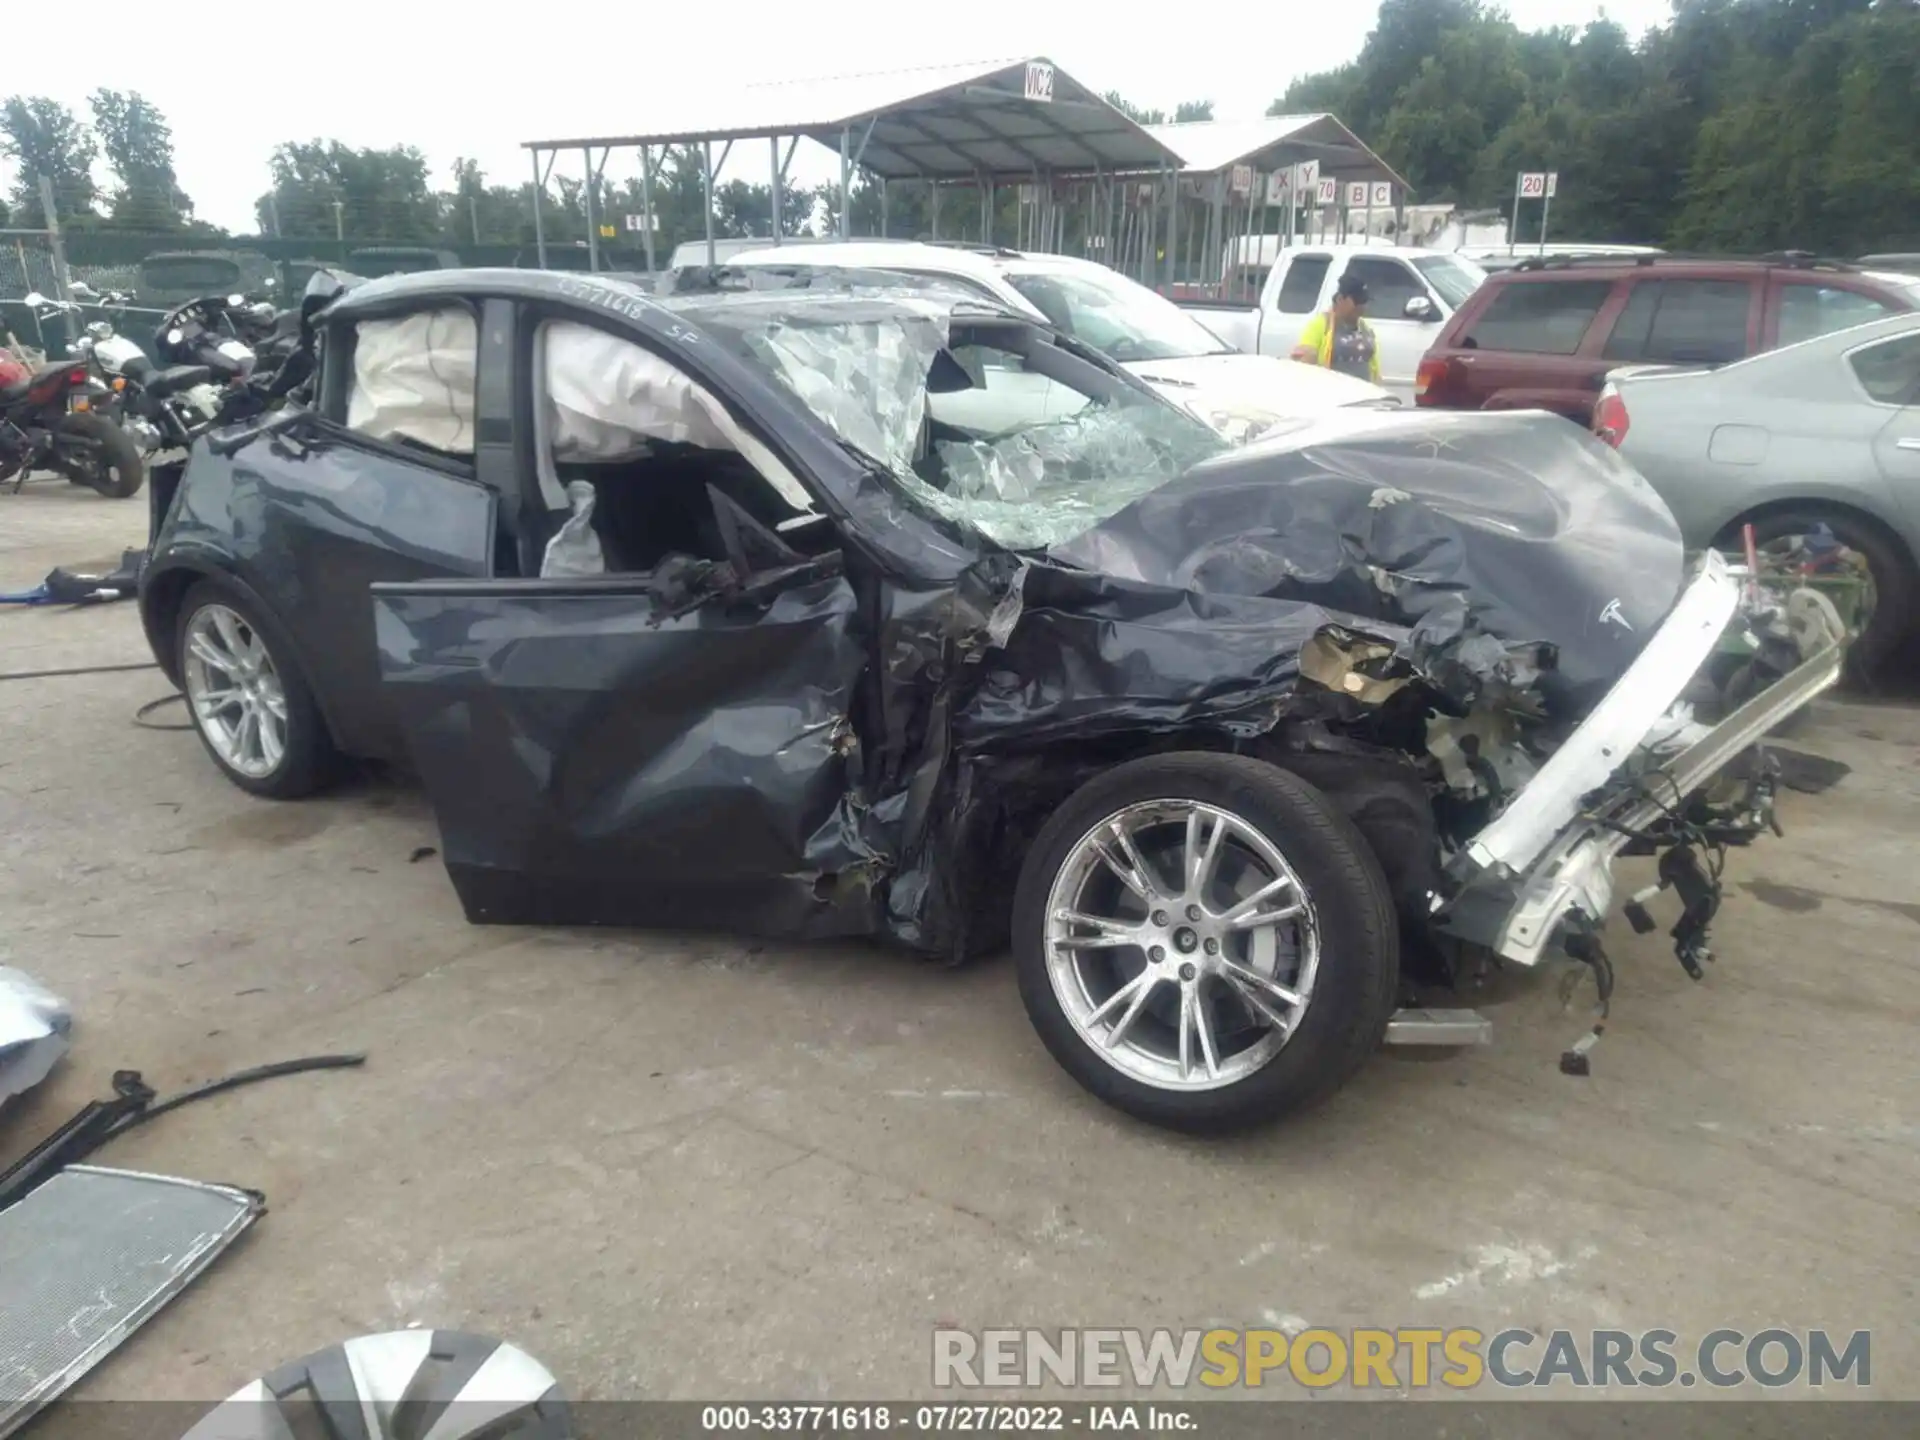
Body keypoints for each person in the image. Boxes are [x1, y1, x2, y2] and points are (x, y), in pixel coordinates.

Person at [1292, 272, 1380, 383]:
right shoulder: (1321, 325)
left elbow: (1374, 368)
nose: (1362, 306)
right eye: (1358, 301)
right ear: (1340, 299)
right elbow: (1306, 361)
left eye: (1365, 301)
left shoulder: (1365, 328)